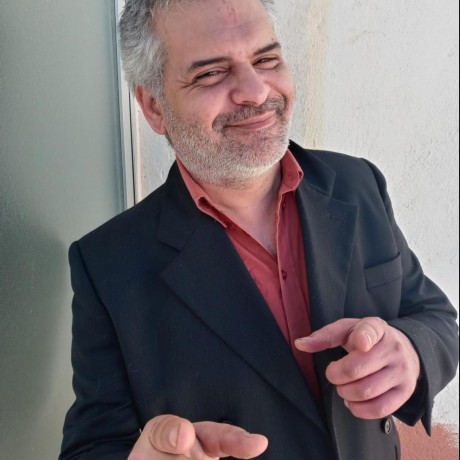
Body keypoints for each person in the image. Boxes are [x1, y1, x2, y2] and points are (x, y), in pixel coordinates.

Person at [59, 0, 459, 459]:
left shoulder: (357, 183)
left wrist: (410, 352)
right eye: (211, 73)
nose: (254, 90)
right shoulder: (108, 264)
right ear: (153, 106)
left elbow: (433, 317)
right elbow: (93, 445)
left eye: (266, 59)